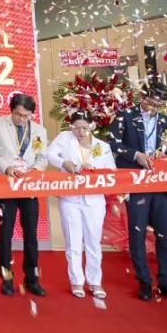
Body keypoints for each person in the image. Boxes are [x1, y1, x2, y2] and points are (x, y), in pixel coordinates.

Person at [109, 81, 167, 304]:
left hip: (162, 185)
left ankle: (166, 281)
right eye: (152, 103)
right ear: (142, 97)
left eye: (160, 105)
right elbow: (112, 144)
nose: (155, 108)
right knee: (137, 232)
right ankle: (144, 280)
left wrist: (165, 153)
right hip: (136, 183)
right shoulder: (124, 116)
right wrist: (136, 155)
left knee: (165, 234)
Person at [47, 111, 116, 299]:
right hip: (71, 198)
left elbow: (112, 170)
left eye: (84, 128)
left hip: (94, 200)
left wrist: (95, 170)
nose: (80, 131)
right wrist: (63, 162)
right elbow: (49, 154)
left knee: (93, 241)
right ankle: (76, 280)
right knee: (73, 240)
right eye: (76, 128)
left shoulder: (102, 146)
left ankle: (95, 281)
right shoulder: (64, 138)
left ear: (92, 126)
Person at [0, 93, 48, 297]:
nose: (21, 119)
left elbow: (42, 157)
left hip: (28, 187)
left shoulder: (39, 130)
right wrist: (6, 167)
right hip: (6, 184)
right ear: (12, 110)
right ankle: (6, 279)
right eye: (18, 114)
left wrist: (35, 170)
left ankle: (32, 279)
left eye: (26, 115)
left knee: (31, 232)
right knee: (5, 232)